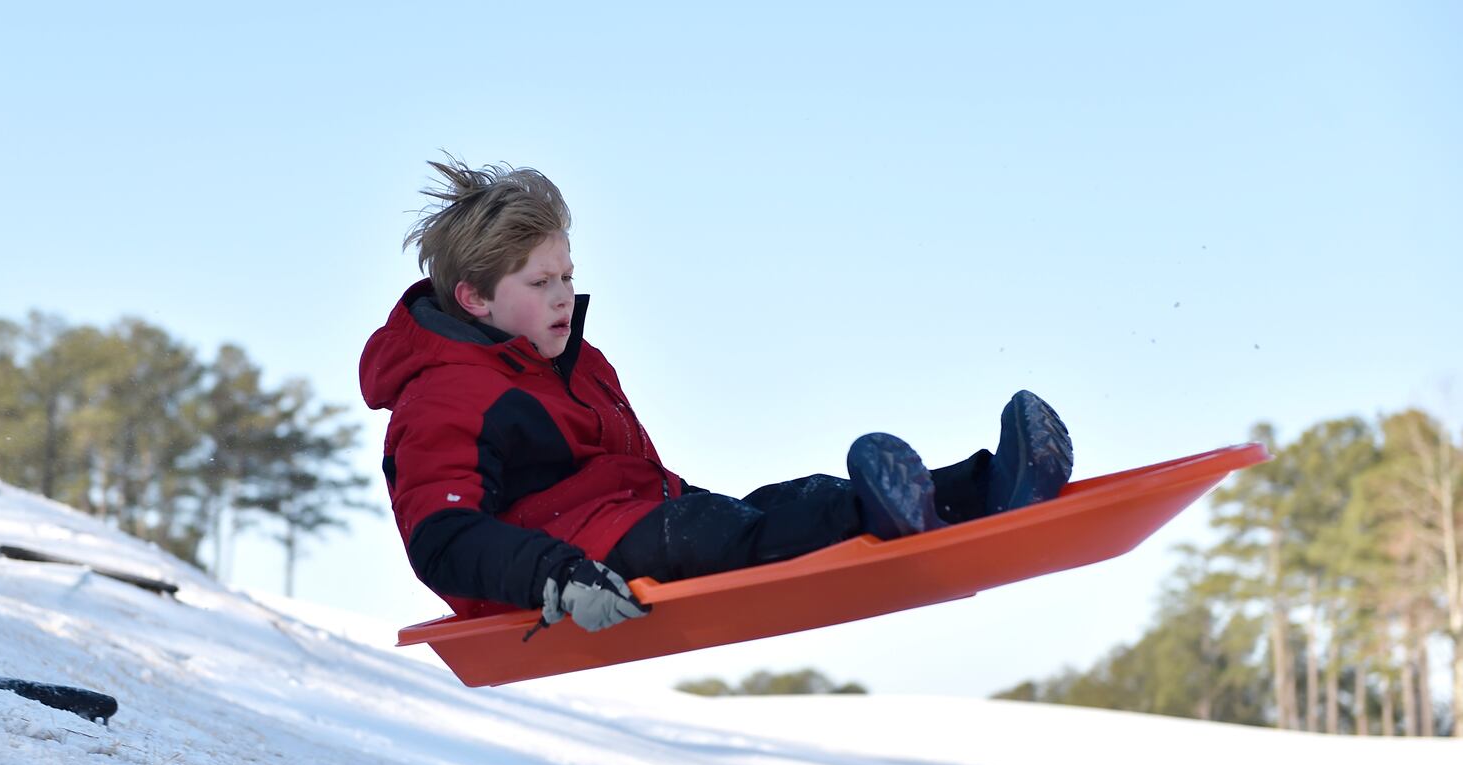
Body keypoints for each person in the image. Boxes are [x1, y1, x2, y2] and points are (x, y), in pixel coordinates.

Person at [359, 158, 1073, 637]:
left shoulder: (577, 362)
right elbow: (441, 536)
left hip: (627, 524)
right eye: (538, 283)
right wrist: (556, 576)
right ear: (474, 298)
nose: (563, 296)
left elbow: (632, 480)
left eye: (566, 275)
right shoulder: (446, 394)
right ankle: (890, 516)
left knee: (787, 501)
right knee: (715, 530)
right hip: (556, 571)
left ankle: (985, 488)